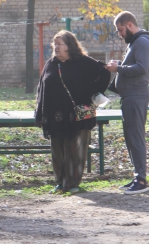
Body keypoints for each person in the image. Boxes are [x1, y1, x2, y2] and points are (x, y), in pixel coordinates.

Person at [35, 30, 110, 194]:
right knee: (57, 149)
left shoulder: (83, 62)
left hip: (77, 115)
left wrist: (91, 95)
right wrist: (39, 112)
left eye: (60, 44)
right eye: (55, 44)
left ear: (70, 46)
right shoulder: (51, 64)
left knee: (75, 148)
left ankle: (72, 182)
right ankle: (60, 182)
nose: (56, 47)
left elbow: (103, 73)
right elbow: (42, 88)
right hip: (55, 115)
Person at [105, 11, 149, 195]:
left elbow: (141, 68)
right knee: (131, 139)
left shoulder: (141, 42)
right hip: (130, 97)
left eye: (121, 30)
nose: (120, 34)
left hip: (136, 97)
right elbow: (135, 64)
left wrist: (118, 68)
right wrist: (119, 63)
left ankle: (141, 180)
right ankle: (137, 176)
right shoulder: (136, 43)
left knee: (136, 138)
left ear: (130, 25)